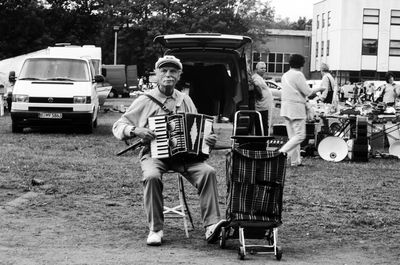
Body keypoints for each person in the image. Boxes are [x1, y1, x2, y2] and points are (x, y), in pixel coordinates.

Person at [112, 55, 225, 246]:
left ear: (179, 75)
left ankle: (212, 226)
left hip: (186, 157)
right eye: (164, 71)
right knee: (151, 177)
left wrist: (208, 139)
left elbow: (199, 130)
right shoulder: (145, 100)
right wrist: (135, 130)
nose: (168, 75)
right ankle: (156, 229)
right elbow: (118, 125)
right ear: (156, 74)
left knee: (208, 172)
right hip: (154, 155)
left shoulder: (185, 99)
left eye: (173, 71)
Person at [278, 54, 325, 166]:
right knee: (300, 136)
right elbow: (308, 92)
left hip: (286, 108)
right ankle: (280, 154)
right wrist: (320, 88)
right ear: (302, 64)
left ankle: (295, 161)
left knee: (292, 137)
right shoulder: (298, 75)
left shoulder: (285, 75)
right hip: (296, 109)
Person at [252, 62, 273, 135]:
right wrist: (260, 97)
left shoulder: (260, 78)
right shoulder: (256, 78)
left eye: (264, 68)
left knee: (263, 125)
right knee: (262, 126)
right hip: (262, 107)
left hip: (264, 106)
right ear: (256, 69)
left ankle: (262, 143)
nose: (264, 69)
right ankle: (262, 144)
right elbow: (257, 88)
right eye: (261, 68)